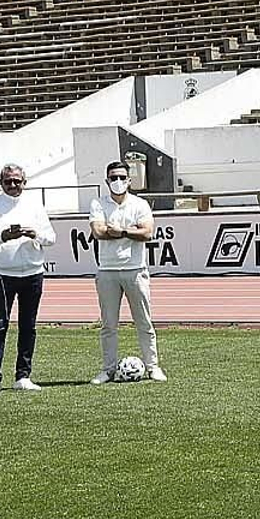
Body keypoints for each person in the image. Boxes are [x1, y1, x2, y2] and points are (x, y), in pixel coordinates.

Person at [0, 164, 55, 396]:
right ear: (1, 183)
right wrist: (1, 237)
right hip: (3, 274)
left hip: (32, 273)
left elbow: (51, 237)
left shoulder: (35, 204)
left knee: (28, 327)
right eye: (8, 181)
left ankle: (23, 375)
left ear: (24, 182)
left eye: (17, 181)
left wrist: (34, 234)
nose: (13, 185)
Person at [88, 160, 165, 384]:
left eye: (122, 177)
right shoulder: (98, 203)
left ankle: (153, 366)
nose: (118, 182)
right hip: (107, 270)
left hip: (135, 269)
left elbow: (147, 233)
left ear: (130, 180)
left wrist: (121, 231)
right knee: (108, 324)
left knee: (144, 322)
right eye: (113, 178)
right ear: (107, 181)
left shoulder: (140, 204)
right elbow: (99, 231)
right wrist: (131, 231)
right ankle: (108, 369)